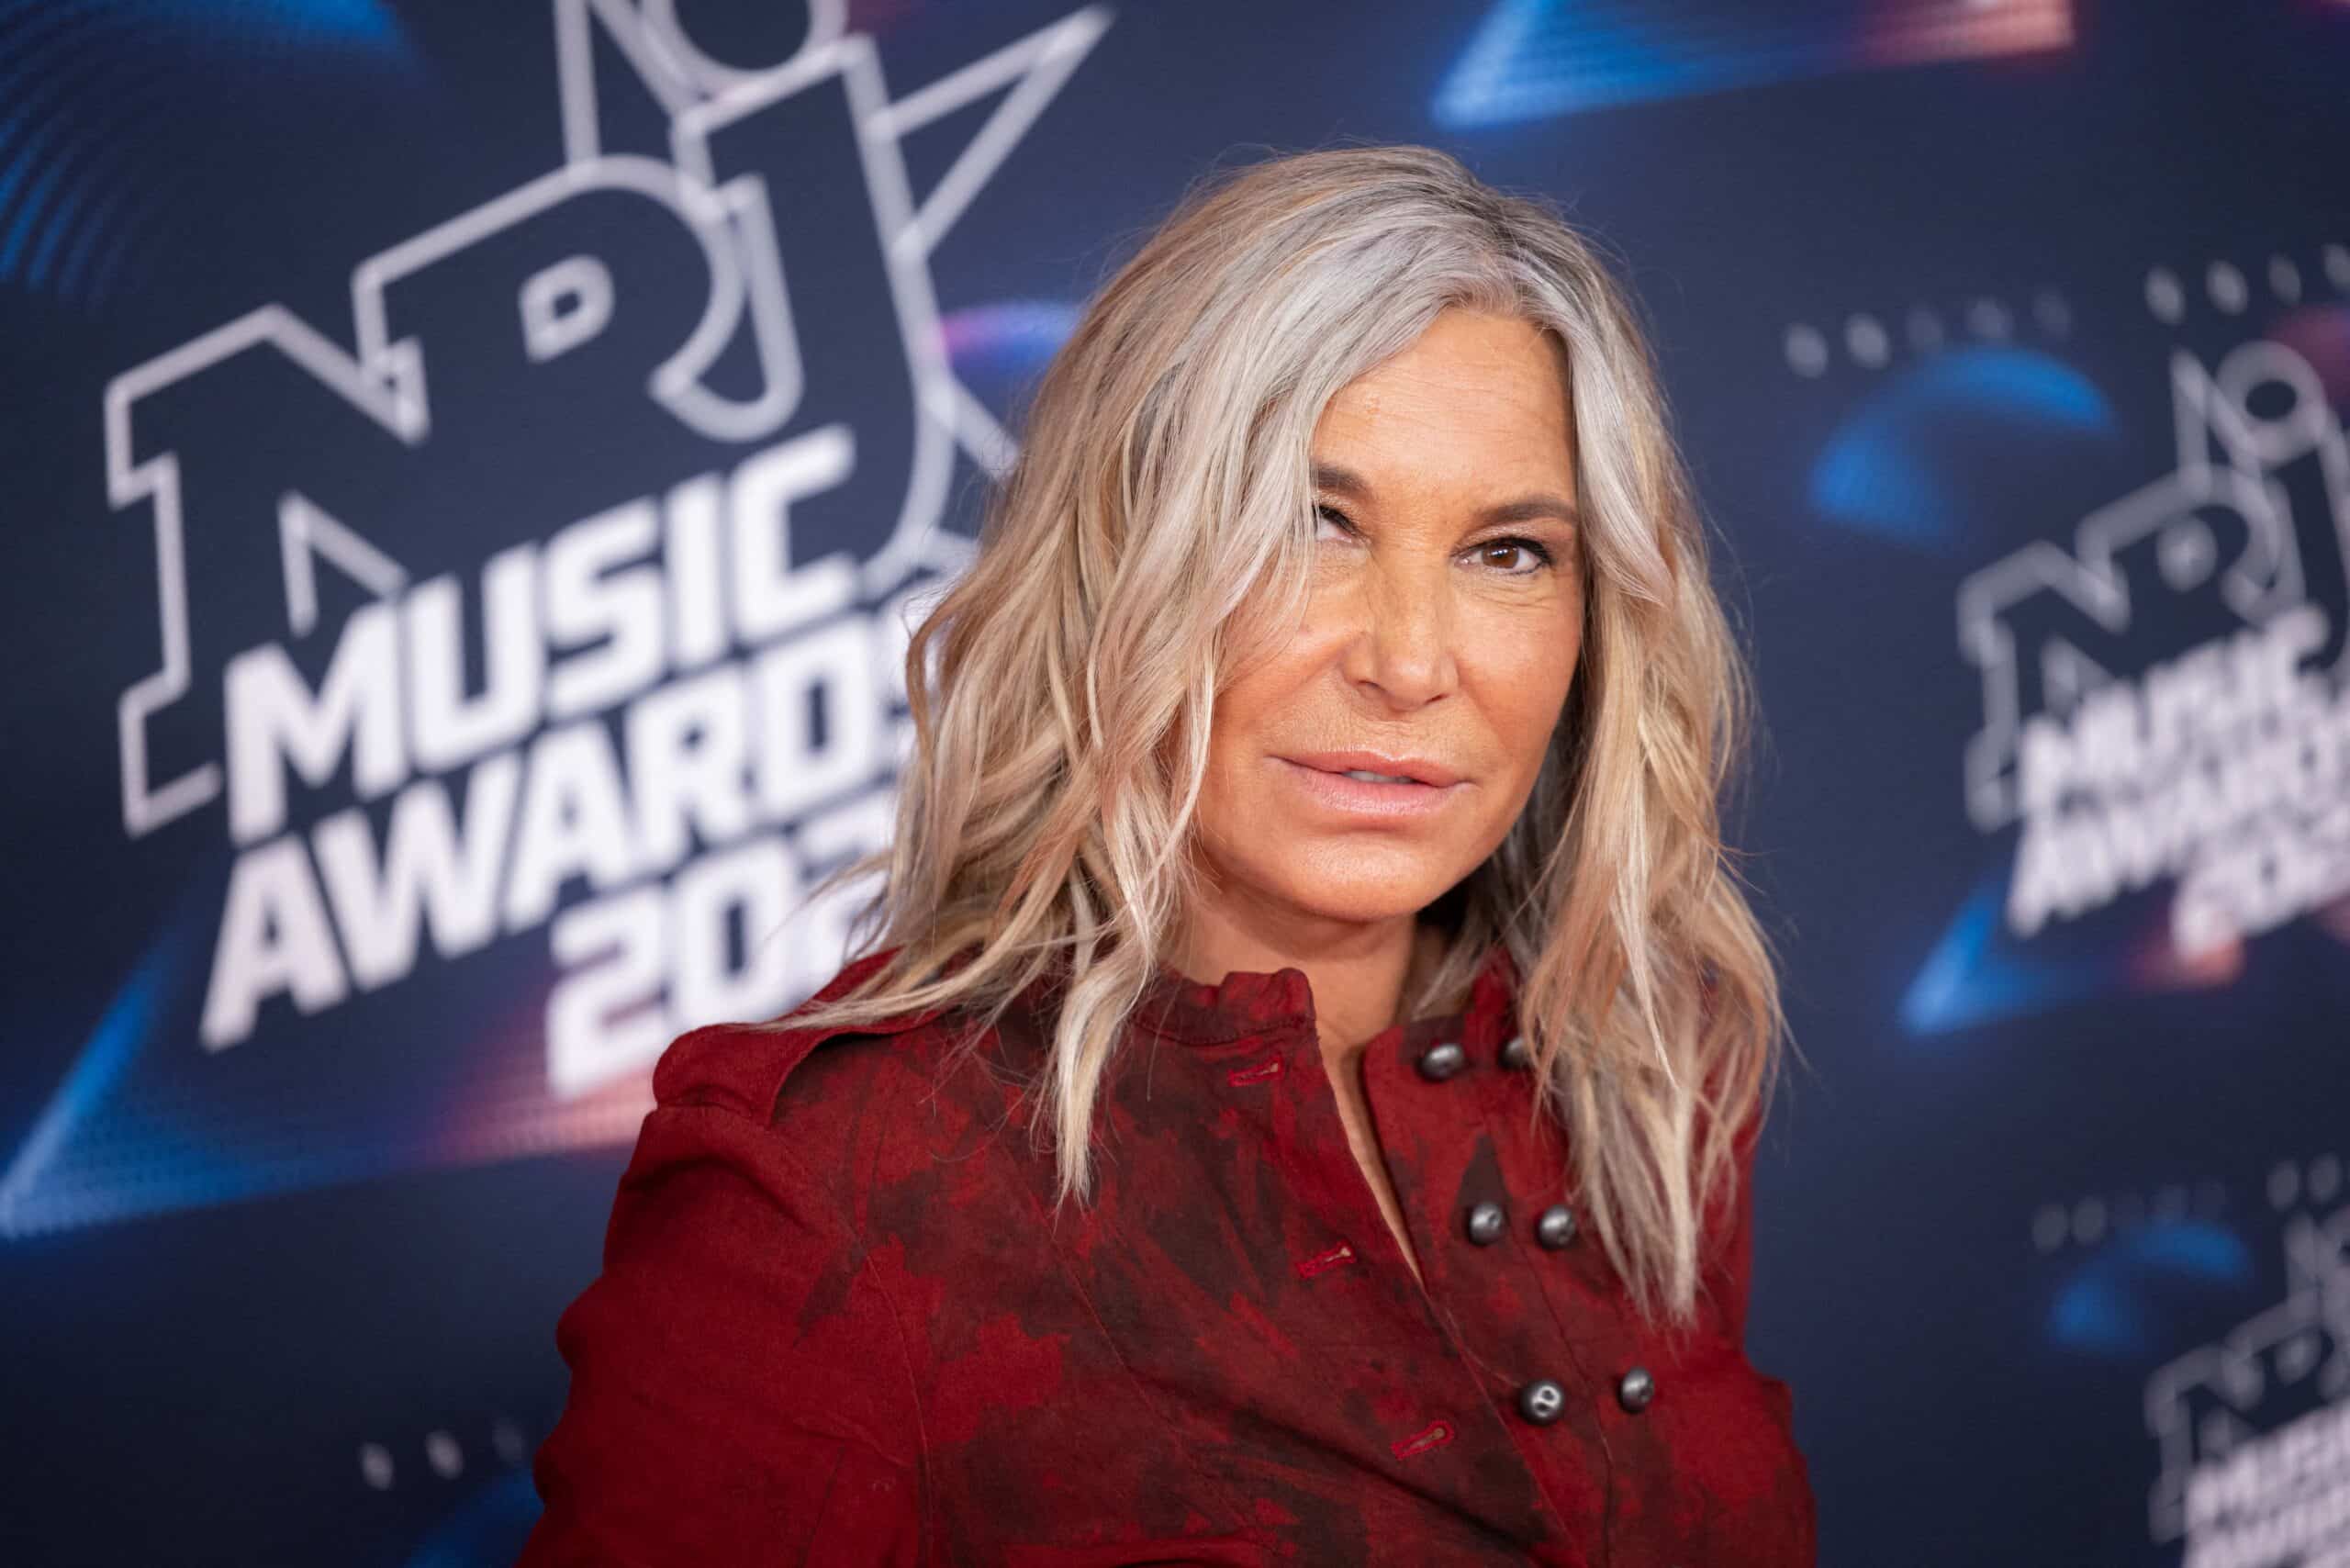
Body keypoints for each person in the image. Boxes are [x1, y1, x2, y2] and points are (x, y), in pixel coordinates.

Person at [518, 142, 1816, 1566]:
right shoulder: (831, 1191)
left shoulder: (1632, 1078)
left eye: (1506, 552)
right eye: (1311, 523)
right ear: (1116, 562)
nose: (1408, 661)